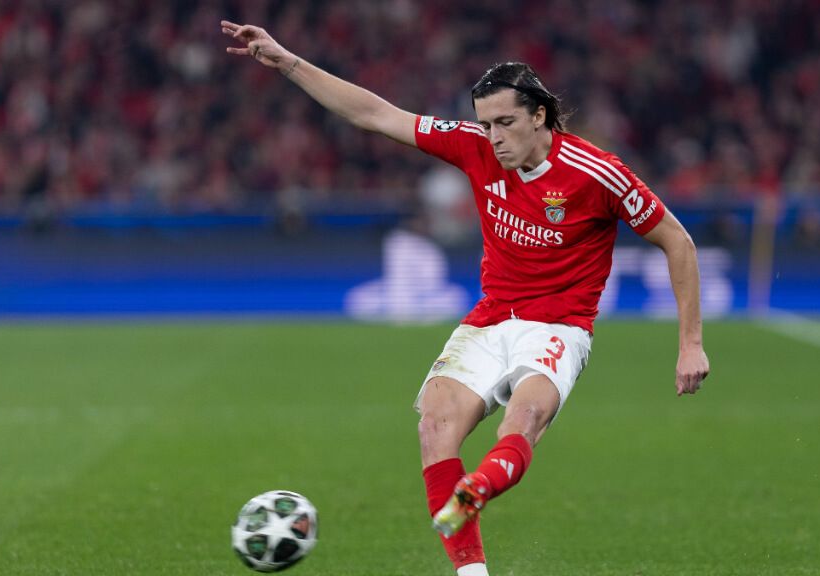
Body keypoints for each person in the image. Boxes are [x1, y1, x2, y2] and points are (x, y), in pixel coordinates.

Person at [222, 20, 710, 576]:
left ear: (539, 116)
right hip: (489, 318)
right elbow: (376, 114)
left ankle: (475, 488)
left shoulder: (597, 173)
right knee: (434, 424)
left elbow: (677, 239)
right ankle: (471, 567)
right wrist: (288, 61)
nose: (494, 136)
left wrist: (690, 343)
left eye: (505, 122)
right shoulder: (474, 147)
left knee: (524, 417)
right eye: (485, 123)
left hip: (558, 325)